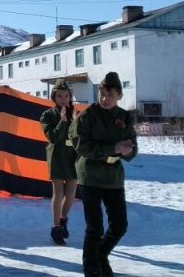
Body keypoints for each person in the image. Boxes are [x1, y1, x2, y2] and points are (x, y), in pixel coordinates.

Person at [70, 72, 137, 277]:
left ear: (119, 96)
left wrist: (128, 150)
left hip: (113, 177)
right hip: (90, 174)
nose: (105, 98)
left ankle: (100, 256)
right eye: (102, 93)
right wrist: (113, 148)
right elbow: (81, 145)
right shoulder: (88, 116)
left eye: (110, 94)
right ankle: (90, 268)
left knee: (120, 225)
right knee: (95, 227)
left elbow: (133, 147)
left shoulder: (125, 117)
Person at [40, 79, 78, 246]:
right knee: (59, 192)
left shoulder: (74, 113)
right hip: (56, 155)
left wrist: (76, 124)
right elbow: (53, 137)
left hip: (72, 156)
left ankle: (63, 220)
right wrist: (62, 122)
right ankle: (56, 227)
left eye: (66, 96)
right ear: (54, 97)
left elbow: (79, 137)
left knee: (71, 193)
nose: (63, 99)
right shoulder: (47, 115)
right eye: (60, 96)